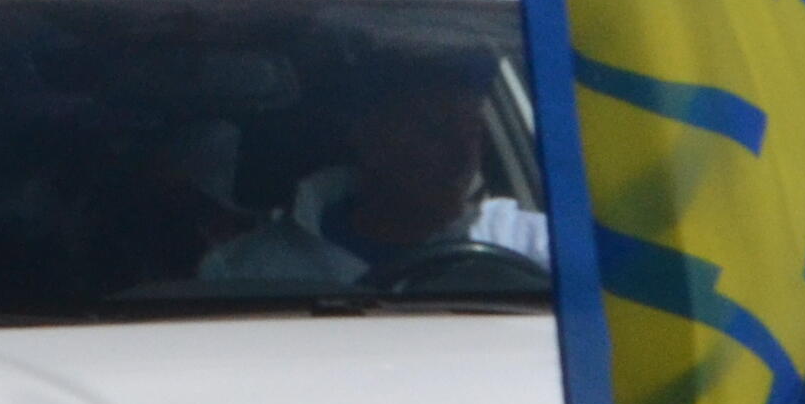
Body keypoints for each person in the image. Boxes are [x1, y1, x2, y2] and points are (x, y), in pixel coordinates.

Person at [202, 64, 550, 287]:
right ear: (368, 139)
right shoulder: (251, 273)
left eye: (472, 130)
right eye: (434, 131)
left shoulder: (522, 243)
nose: (462, 156)